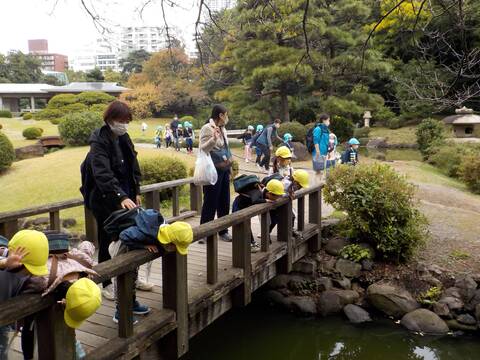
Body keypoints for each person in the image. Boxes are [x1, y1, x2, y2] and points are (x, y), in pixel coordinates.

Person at [80, 100, 151, 301]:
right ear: (110, 120)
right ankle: (106, 282)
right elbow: (102, 174)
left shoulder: (124, 137)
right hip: (104, 198)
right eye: (121, 121)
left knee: (133, 236)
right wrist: (120, 196)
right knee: (106, 238)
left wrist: (135, 190)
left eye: (126, 121)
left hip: (126, 195)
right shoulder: (99, 140)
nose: (124, 125)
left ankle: (133, 276)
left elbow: (133, 165)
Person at [108, 208, 193, 323]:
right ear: (170, 241)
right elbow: (124, 235)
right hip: (121, 250)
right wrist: (143, 246)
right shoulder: (147, 233)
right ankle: (120, 312)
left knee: (132, 277)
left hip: (132, 250)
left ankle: (132, 304)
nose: (174, 250)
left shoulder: (165, 228)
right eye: (175, 247)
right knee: (122, 280)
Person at [0, 230, 49, 360]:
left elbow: (37, 282)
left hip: (5, 320)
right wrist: (4, 263)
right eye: (29, 270)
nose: (29, 274)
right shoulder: (6, 265)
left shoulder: (24, 275)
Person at [199, 104, 233, 242]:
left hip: (224, 169)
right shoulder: (207, 128)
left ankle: (223, 230)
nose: (227, 117)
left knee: (224, 200)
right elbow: (203, 149)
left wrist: (230, 168)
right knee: (210, 200)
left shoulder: (223, 128)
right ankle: (204, 232)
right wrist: (213, 139)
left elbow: (226, 148)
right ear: (220, 115)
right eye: (226, 114)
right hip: (212, 170)